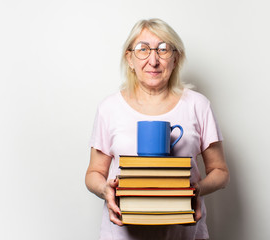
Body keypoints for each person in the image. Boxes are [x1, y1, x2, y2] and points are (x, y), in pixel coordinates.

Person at [85, 18, 230, 240]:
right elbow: (94, 173)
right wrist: (105, 190)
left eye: (163, 50)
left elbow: (220, 172)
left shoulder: (198, 105)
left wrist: (196, 189)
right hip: (122, 233)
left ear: (175, 58)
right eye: (143, 49)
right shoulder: (109, 108)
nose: (153, 60)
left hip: (184, 234)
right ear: (129, 58)